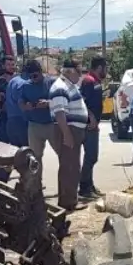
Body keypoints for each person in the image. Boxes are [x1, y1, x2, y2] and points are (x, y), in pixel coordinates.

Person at [48, 60, 88, 211]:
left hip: (73, 130)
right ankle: (67, 203)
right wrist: (67, 134)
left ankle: (71, 199)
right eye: (79, 72)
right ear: (70, 71)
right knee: (68, 167)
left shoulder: (70, 86)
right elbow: (60, 113)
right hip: (67, 130)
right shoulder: (60, 87)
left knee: (73, 166)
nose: (81, 75)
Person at [21, 62, 57, 191]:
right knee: (35, 158)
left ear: (41, 72)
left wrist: (48, 103)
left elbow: (62, 100)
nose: (33, 79)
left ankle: (67, 187)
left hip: (52, 125)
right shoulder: (26, 86)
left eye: (35, 75)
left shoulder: (52, 82)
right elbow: (21, 103)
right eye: (30, 76)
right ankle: (37, 186)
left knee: (63, 154)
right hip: (34, 126)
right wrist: (27, 106)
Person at [78, 57, 107, 199]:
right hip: (88, 125)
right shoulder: (88, 81)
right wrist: (92, 118)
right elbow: (82, 101)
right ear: (100, 68)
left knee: (92, 157)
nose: (106, 71)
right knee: (91, 156)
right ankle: (84, 188)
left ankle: (89, 185)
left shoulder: (95, 81)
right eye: (105, 68)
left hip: (93, 125)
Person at [0, 55, 17, 143]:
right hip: (4, 115)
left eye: (13, 64)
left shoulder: (19, 80)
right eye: (8, 64)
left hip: (16, 115)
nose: (11, 67)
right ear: (3, 66)